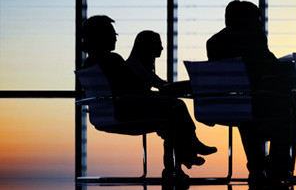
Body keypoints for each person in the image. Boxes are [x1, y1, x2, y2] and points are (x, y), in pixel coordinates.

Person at [80, 15, 215, 179]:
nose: (116, 37)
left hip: (108, 115)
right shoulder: (111, 60)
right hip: (126, 112)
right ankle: (182, 159)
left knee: (173, 111)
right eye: (112, 34)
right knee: (176, 109)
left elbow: (125, 90)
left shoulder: (89, 63)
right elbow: (131, 90)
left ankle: (184, 156)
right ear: (101, 36)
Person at [206, 0, 296, 183]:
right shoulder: (253, 38)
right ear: (247, 20)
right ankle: (277, 167)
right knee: (289, 111)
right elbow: (268, 66)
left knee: (248, 112)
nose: (260, 23)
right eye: (257, 19)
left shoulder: (213, 42)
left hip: (226, 106)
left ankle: (257, 167)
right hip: (257, 104)